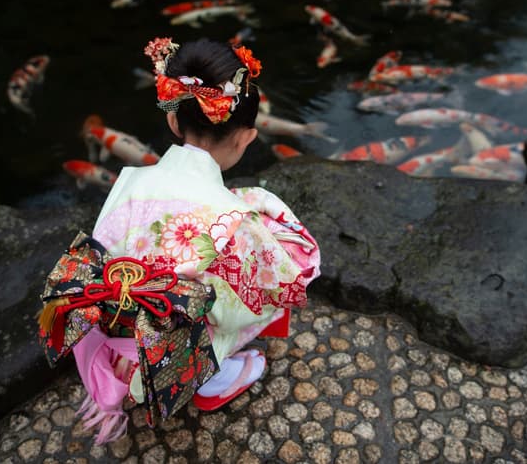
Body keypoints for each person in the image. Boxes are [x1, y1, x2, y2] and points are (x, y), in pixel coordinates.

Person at [36, 37, 321, 444]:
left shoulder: (128, 182)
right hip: (164, 357)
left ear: (173, 121)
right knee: (261, 289)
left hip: (115, 343)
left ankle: (169, 371)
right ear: (247, 137)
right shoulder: (232, 218)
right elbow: (246, 305)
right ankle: (209, 381)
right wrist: (263, 221)